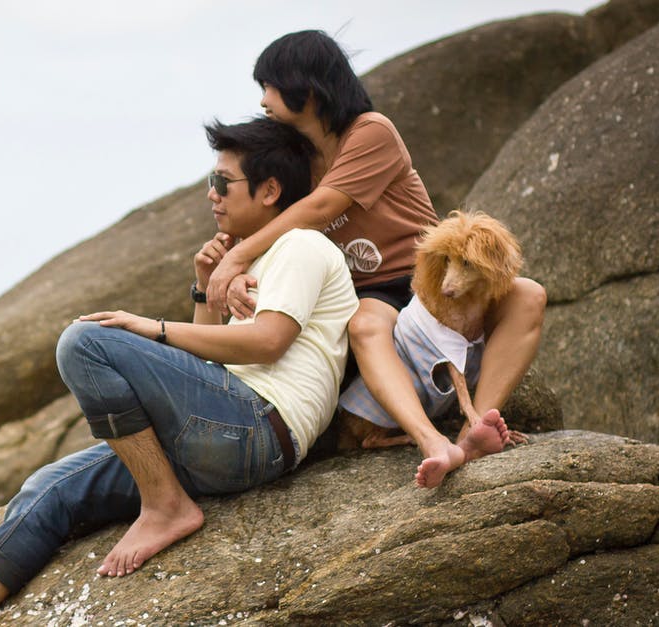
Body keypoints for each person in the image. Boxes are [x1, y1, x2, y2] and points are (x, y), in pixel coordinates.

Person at [0, 116, 358, 626]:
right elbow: (206, 365)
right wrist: (203, 287)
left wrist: (151, 327)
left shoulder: (303, 245)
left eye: (221, 182)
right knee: (50, 488)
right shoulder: (244, 264)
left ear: (271, 189)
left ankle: (164, 504)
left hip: (261, 427)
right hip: (219, 433)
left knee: (87, 342)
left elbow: (269, 342)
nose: (211, 195)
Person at [204, 30, 547, 488]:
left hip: (423, 278)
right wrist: (227, 261)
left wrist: (238, 256)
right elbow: (270, 212)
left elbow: (324, 206)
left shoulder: (370, 131)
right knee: (365, 323)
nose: (263, 99)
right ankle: (431, 442)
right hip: (364, 293)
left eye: (270, 85)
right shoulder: (296, 158)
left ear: (306, 87)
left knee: (527, 294)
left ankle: (474, 430)